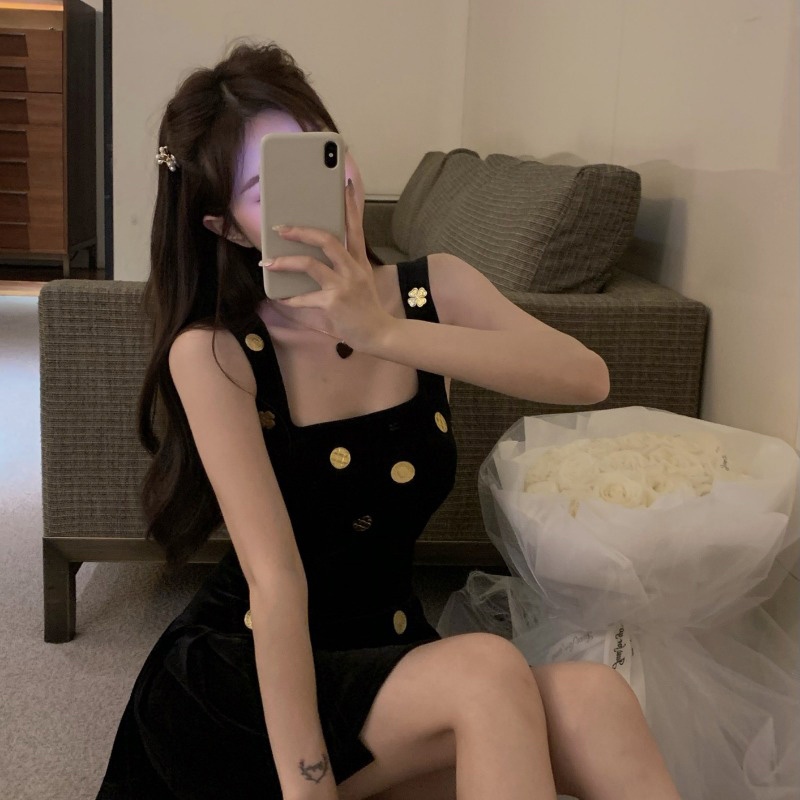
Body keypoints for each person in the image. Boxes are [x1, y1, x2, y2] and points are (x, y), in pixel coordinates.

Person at [96, 38, 682, 800]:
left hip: (394, 655)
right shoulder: (216, 351)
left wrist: (385, 332)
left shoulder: (432, 291)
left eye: (322, 154)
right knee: (487, 671)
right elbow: (275, 587)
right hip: (251, 686)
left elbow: (586, 376)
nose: (327, 191)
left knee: (597, 699)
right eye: (269, 188)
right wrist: (308, 787)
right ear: (229, 229)